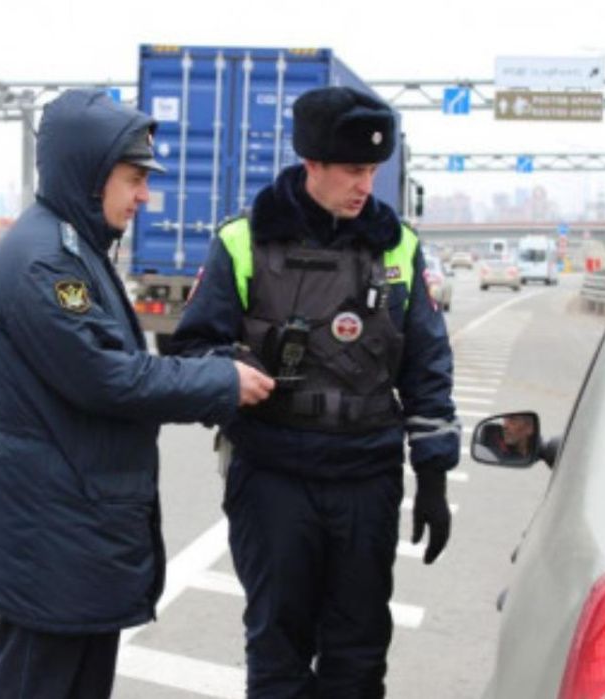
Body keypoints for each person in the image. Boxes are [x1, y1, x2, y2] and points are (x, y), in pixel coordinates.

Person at [0, 89, 275, 698]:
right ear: (89, 172)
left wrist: (217, 365)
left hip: (66, 523)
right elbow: (112, 378)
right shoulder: (45, 263)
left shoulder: (74, 246)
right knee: (42, 682)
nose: (145, 195)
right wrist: (220, 381)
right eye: (134, 179)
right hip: (47, 532)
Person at [168, 86, 461, 697]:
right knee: (278, 650)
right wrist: (232, 371)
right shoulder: (242, 242)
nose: (365, 186)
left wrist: (432, 476)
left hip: (366, 480)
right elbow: (193, 352)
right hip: (274, 478)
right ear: (313, 165)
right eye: (353, 170)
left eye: (374, 171)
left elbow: (428, 367)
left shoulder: (399, 246)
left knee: (358, 657)